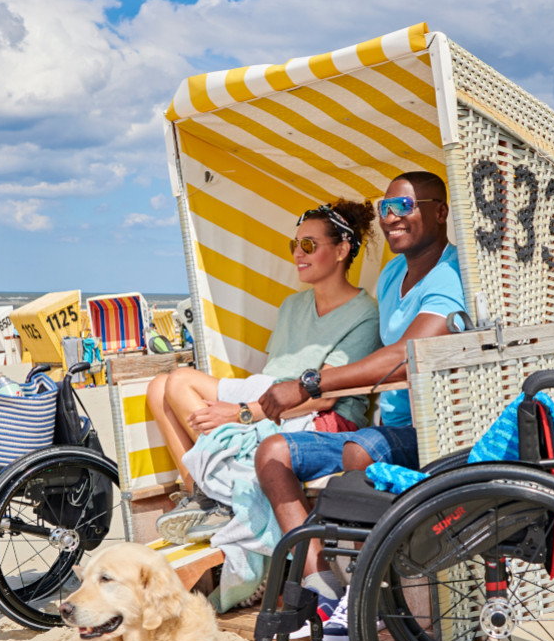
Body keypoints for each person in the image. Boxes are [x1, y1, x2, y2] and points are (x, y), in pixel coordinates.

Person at [254, 170, 466, 641]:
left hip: (436, 432)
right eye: (384, 209)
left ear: (439, 211)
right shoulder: (392, 273)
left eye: (404, 208)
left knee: (360, 452)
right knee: (272, 452)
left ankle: (363, 593)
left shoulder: (451, 276)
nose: (390, 219)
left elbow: (403, 358)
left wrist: (308, 384)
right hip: (386, 427)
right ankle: (320, 584)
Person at [147, 198, 383, 539]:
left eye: (308, 245)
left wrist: (241, 414)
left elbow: (325, 398)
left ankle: (219, 497)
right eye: (294, 245)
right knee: (159, 387)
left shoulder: (364, 313)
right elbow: (274, 376)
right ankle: (206, 495)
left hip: (319, 417)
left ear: (342, 250)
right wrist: (247, 409)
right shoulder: (292, 305)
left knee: (181, 379)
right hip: (273, 399)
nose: (297, 254)